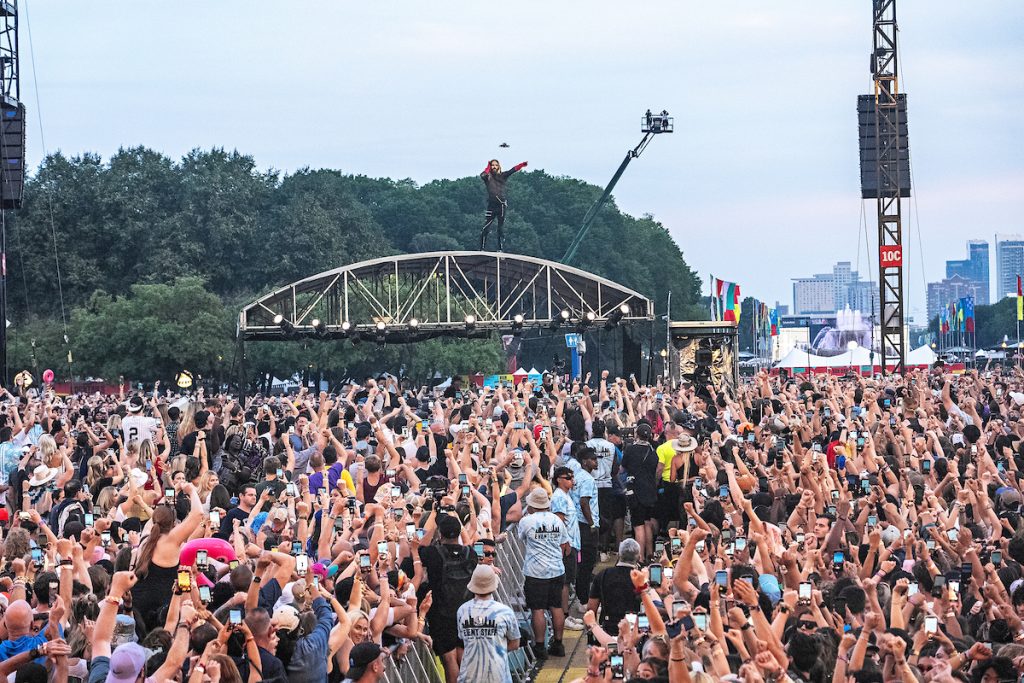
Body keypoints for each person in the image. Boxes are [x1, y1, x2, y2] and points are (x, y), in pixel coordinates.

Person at [518, 487, 569, 658]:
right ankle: (559, 644)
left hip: (536, 571)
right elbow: (564, 543)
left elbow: (522, 538)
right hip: (556, 568)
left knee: (537, 608)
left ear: (531, 504)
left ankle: (540, 646)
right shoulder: (557, 520)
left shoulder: (527, 521)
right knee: (557, 606)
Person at [456, 565, 520, 683]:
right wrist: (497, 648)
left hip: (469, 676)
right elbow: (515, 643)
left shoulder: (462, 611)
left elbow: (463, 642)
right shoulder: (505, 612)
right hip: (499, 676)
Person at [479, 159, 527, 251]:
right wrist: (488, 167)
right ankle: (481, 249)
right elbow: (483, 175)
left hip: (501, 205)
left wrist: (522, 164)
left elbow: (512, 170)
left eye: (496, 165)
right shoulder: (487, 177)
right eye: (492, 165)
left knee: (500, 227)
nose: (494, 167)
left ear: (499, 167)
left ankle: (500, 248)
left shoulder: (502, 176)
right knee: (486, 227)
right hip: (491, 205)